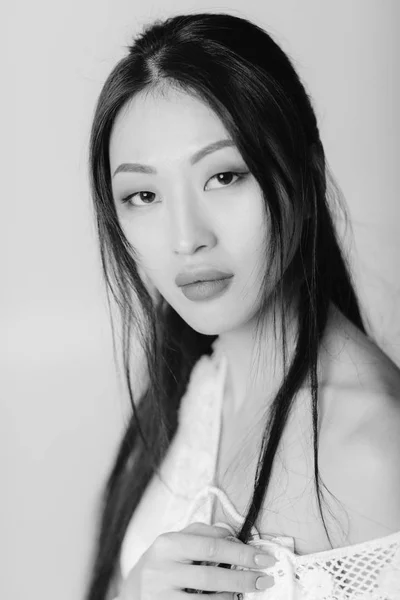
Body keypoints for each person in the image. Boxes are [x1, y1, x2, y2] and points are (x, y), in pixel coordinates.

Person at [84, 12, 400, 600]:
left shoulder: (375, 454)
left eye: (226, 176)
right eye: (143, 194)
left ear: (305, 175)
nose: (186, 238)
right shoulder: (200, 382)